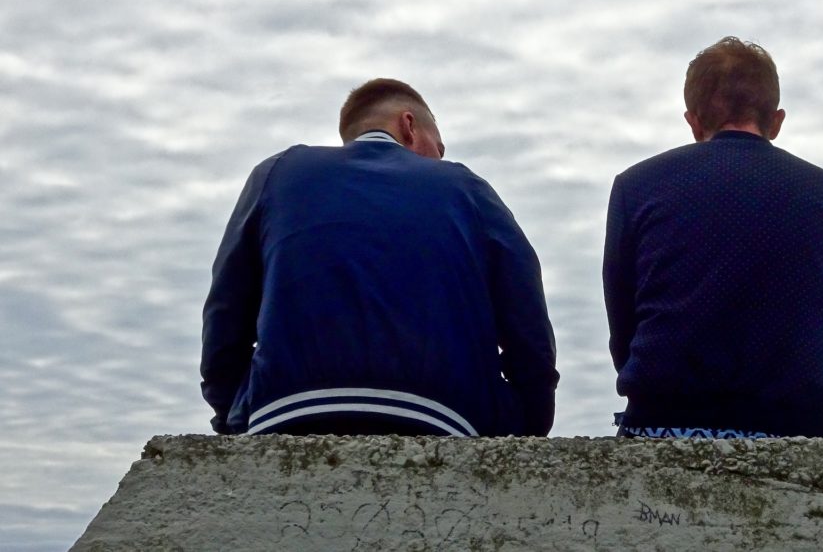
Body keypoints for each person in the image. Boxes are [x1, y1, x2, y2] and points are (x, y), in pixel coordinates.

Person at [201, 78, 558, 437]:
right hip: (441, 417)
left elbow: (225, 312)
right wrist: (527, 425)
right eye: (440, 146)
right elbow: (525, 316)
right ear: (409, 125)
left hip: (283, 412)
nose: (441, 157)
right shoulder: (464, 186)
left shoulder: (277, 173)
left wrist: (233, 415)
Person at [603, 38, 823, 439]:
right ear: (776, 122)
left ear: (693, 121)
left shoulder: (636, 188)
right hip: (802, 426)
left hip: (667, 420)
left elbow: (624, 331)